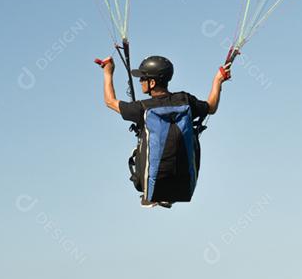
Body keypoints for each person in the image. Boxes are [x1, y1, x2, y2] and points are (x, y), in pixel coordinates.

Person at [97, 54, 231, 208]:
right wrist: (218, 80)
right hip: (184, 184)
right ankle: (167, 194)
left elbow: (109, 101)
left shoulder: (142, 108)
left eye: (142, 78)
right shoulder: (185, 100)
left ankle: (154, 194)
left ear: (152, 82)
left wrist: (108, 72)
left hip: (155, 185)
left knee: (139, 148)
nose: (140, 81)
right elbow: (211, 107)